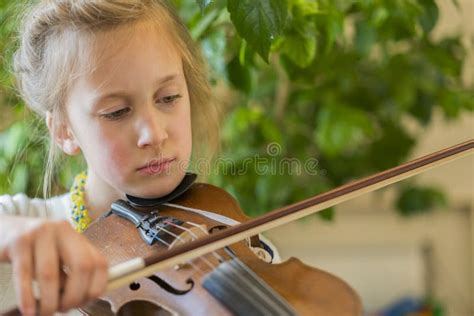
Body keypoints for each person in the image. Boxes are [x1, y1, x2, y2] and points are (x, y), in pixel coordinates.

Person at [0, 1, 222, 314]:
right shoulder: (26, 231)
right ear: (65, 131)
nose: (154, 134)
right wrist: (9, 233)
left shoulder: (223, 238)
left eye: (169, 97)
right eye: (116, 112)